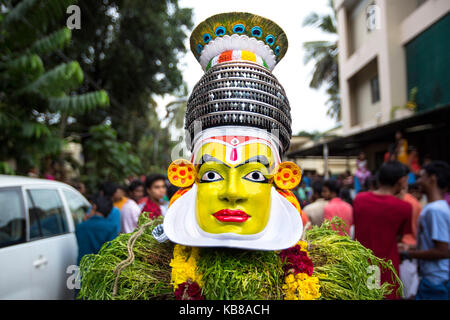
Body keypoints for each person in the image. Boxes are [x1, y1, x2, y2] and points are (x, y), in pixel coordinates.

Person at [353, 161, 412, 299]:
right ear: (401, 181)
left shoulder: (359, 199)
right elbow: (398, 237)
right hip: (387, 268)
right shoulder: (404, 207)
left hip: (362, 265)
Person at [402, 161, 450, 300]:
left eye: (421, 176)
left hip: (435, 281)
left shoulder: (435, 210)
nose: (418, 181)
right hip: (433, 280)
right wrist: (411, 248)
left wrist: (408, 253)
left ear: (432, 179)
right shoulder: (435, 208)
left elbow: (443, 251)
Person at [75, 195, 119, 265]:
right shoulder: (111, 227)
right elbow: (110, 250)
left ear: (94, 207)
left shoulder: (80, 227)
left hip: (82, 266)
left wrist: (85, 221)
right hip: (100, 268)